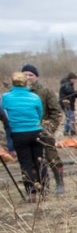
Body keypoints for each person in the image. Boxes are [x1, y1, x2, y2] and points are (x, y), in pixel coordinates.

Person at [21, 64, 66, 194]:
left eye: (31, 75)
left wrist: (48, 128)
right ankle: (37, 186)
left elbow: (56, 112)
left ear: (36, 77)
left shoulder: (45, 91)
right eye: (25, 75)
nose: (28, 77)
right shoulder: (16, 92)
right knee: (31, 160)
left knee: (52, 157)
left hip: (43, 130)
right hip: (25, 132)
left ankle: (59, 183)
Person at [2, 72, 46, 200]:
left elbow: (4, 112)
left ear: (13, 83)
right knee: (39, 161)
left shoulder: (6, 97)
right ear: (26, 83)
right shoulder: (34, 97)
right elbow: (40, 114)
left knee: (25, 163)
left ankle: (31, 192)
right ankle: (44, 190)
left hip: (18, 133)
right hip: (36, 131)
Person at [58, 72, 77, 137]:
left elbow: (72, 94)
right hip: (66, 103)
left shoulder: (66, 84)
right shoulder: (67, 85)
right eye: (74, 79)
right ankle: (72, 132)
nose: (75, 81)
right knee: (71, 117)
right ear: (71, 79)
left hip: (67, 103)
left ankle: (66, 131)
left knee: (68, 117)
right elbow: (70, 92)